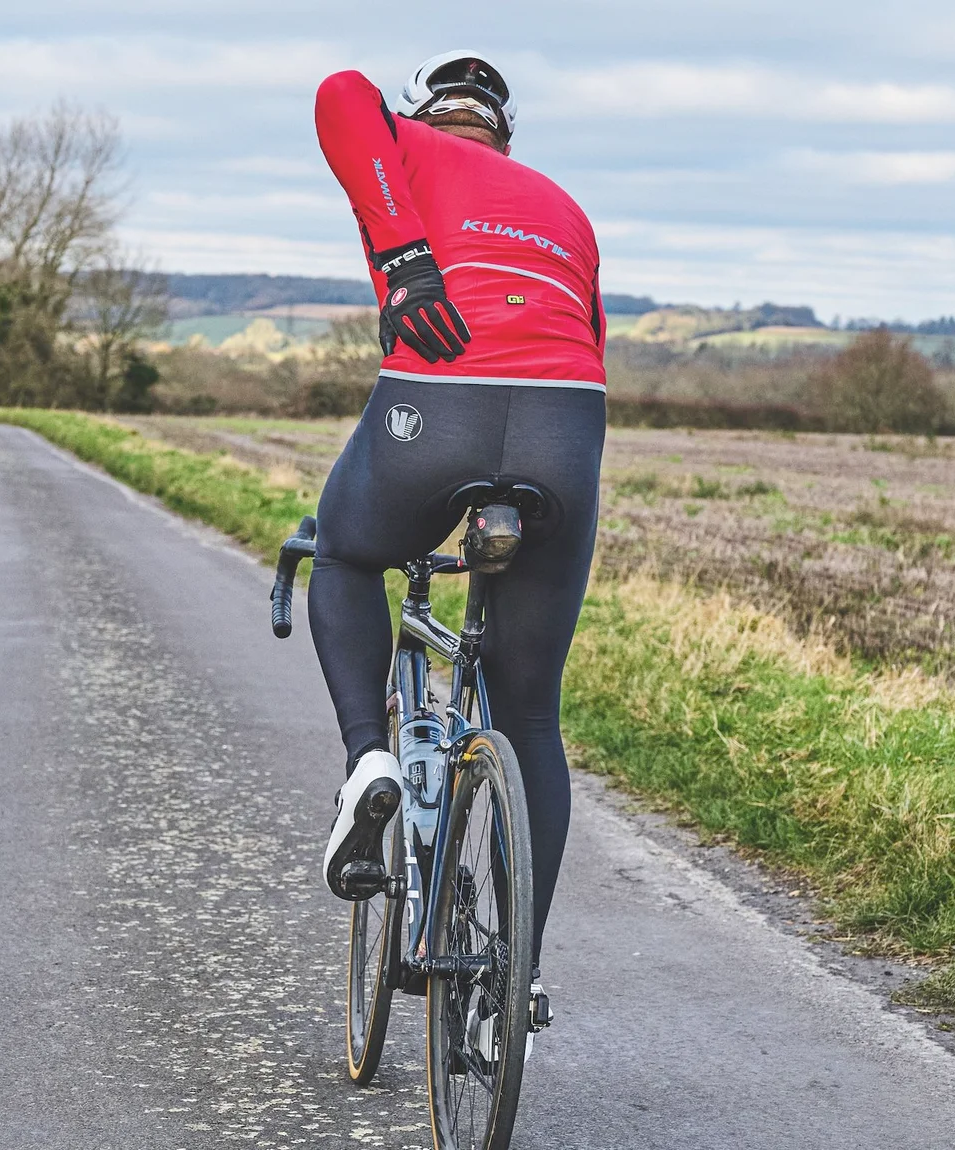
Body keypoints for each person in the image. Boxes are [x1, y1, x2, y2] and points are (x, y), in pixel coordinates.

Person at [311, 51, 607, 970]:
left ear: (427, 120)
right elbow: (589, 333)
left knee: (346, 555)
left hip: (437, 400)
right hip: (567, 424)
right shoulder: (565, 207)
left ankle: (370, 760)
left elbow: (340, 95)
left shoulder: (403, 148)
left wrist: (404, 257)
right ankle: (512, 977)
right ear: (506, 137)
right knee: (531, 719)